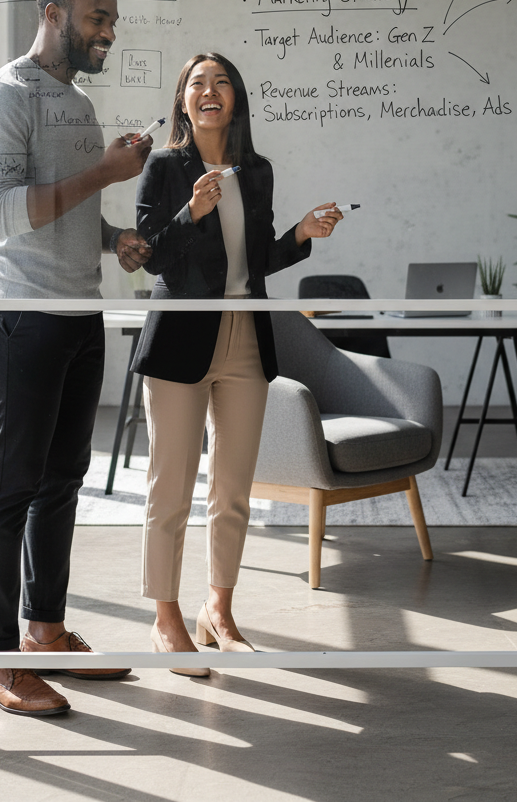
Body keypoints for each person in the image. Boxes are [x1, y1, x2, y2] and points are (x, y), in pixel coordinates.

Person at [0, 0, 153, 716]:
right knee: (11, 485)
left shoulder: (76, 101)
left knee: (63, 480)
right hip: (22, 315)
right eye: (96, 16)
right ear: (53, 15)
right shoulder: (4, 98)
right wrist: (105, 177)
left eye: (111, 17)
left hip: (79, 312)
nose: (108, 29)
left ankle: (44, 632)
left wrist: (114, 242)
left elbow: (66, 213)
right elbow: (1, 215)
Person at [132, 51, 342, 674]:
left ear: (237, 99)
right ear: (183, 102)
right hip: (180, 339)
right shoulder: (164, 167)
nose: (210, 90)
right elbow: (150, 256)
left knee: (234, 488)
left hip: (246, 337)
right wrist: (189, 213)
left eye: (221, 81)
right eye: (197, 82)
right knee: (169, 487)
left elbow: (259, 260)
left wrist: (302, 235)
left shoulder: (258, 172)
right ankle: (165, 616)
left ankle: (218, 610)